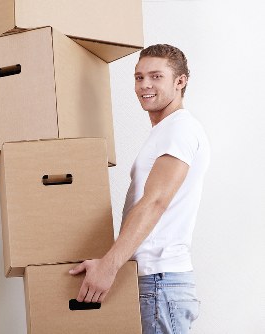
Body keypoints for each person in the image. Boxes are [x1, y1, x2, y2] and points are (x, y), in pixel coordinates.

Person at [70, 44, 210, 334]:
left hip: (159, 281)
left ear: (180, 81)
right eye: (138, 77)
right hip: (154, 281)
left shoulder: (179, 128)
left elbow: (155, 201)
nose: (144, 85)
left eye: (156, 76)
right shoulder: (164, 131)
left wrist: (109, 267)